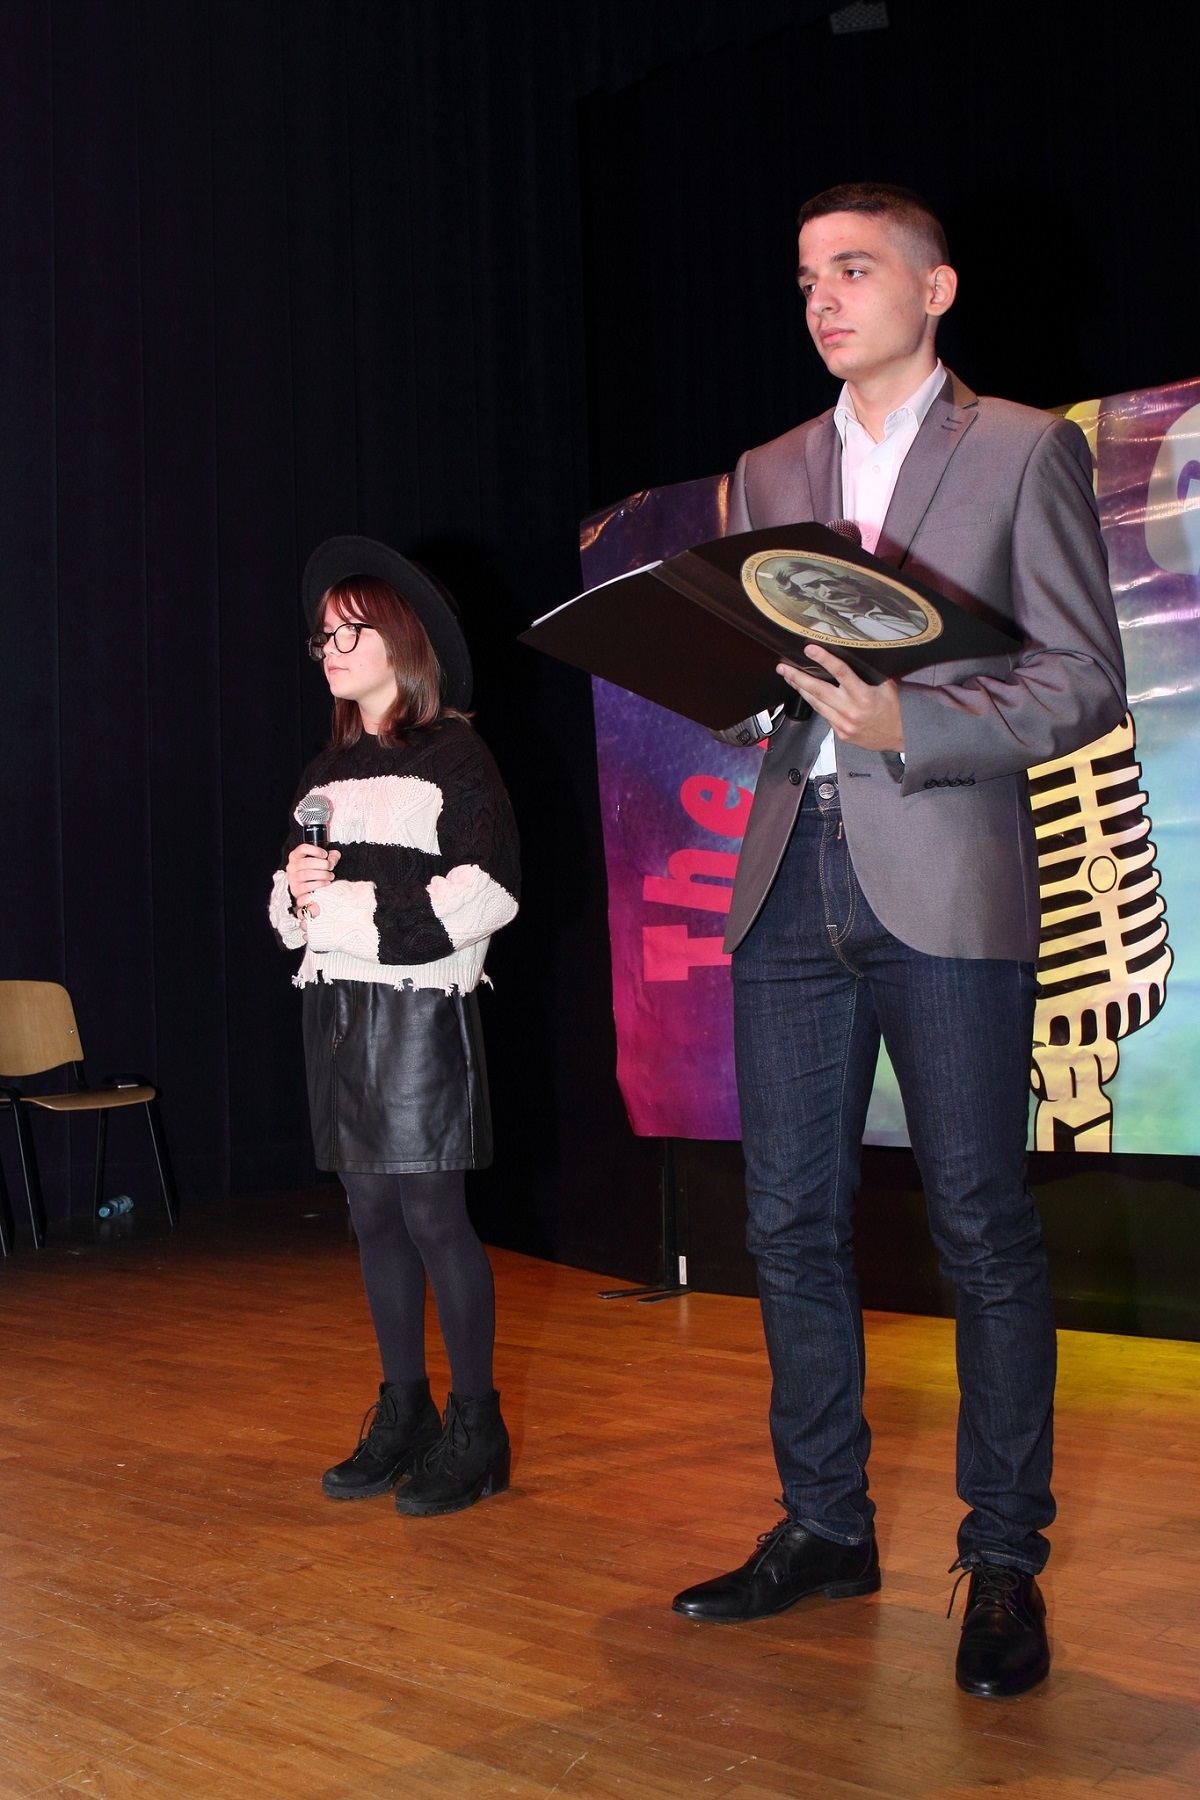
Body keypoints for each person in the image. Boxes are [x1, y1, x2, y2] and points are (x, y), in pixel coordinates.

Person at [670, 185, 1126, 1698]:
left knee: (980, 1224)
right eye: (807, 274)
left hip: (942, 873)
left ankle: (1003, 1559)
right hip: (786, 875)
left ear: (935, 289)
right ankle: (825, 1526)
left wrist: (906, 726)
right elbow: (753, 668)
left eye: (854, 269)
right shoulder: (765, 470)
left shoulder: (1023, 449)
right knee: (786, 1223)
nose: (822, 296)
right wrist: (723, 689)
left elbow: (1080, 680)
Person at [269, 536, 520, 1517]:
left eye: (350, 631)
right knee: (369, 1214)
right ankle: (404, 1410)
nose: (329, 650)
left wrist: (353, 914)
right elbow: (296, 908)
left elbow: (486, 892)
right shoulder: (324, 769)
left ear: (402, 639)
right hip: (335, 1010)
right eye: (322, 637)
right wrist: (297, 895)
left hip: (418, 1010)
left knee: (430, 1215)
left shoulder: (457, 754)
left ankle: (477, 1425)